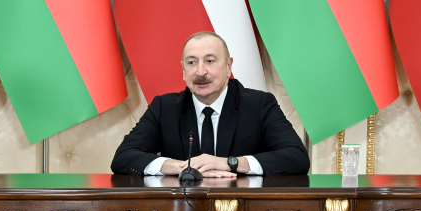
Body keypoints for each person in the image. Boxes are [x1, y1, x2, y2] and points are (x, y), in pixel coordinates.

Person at [111, 31, 309, 177]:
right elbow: (123, 157)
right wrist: (182, 167)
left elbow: (296, 157)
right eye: (191, 63)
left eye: (210, 61)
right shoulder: (164, 107)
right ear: (183, 70)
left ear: (229, 66)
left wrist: (230, 163)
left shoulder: (259, 104)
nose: (200, 72)